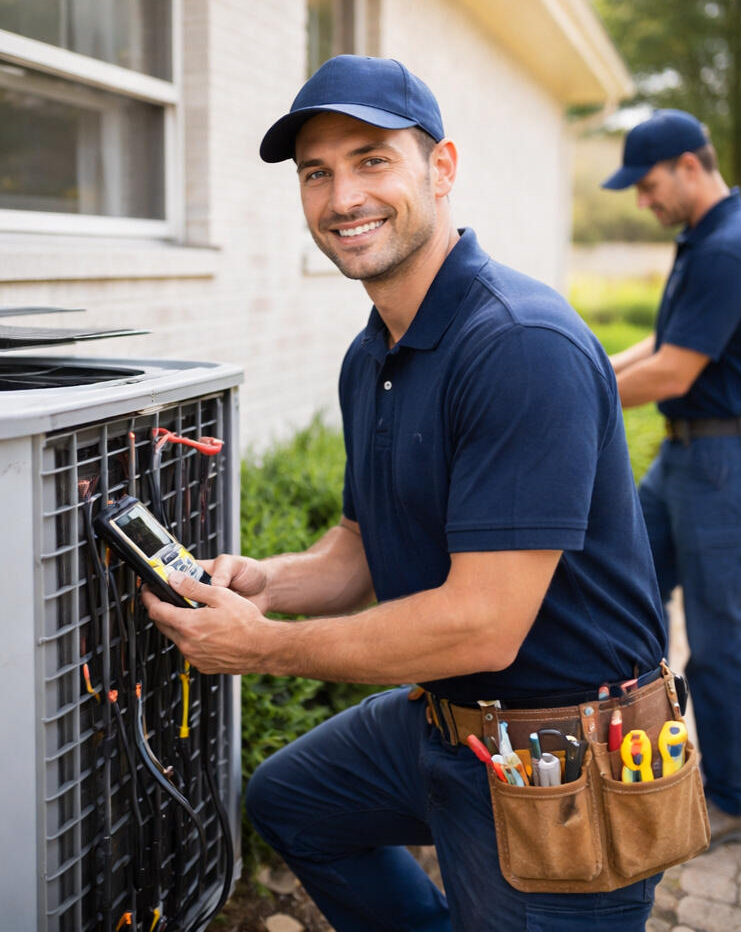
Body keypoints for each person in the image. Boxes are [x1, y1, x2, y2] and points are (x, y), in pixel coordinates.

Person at [144, 55, 669, 931]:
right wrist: (266, 582)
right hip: (444, 719)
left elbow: (483, 623)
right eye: (317, 173)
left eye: (371, 159)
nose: (342, 195)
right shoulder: (375, 353)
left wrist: (262, 647)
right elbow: (356, 547)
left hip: (562, 759)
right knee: (293, 801)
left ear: (442, 168)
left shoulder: (518, 344)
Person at [602, 108, 741, 846]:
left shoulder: (729, 247)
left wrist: (571, 390)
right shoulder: (704, 239)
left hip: (723, 461)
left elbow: (672, 369)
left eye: (648, 183)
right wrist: (589, 365)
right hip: (683, 455)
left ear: (690, 166)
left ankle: (735, 795)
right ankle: (648, 748)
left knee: (721, 635)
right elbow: (661, 341)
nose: (642, 199)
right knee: (628, 589)